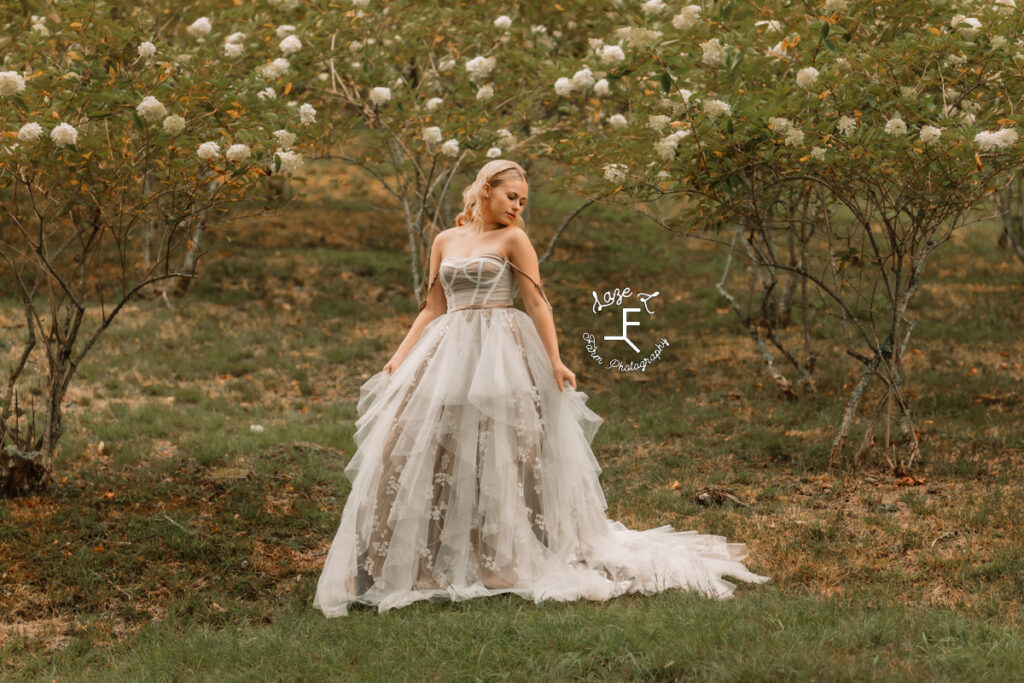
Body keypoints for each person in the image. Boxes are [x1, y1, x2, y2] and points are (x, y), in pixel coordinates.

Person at [313, 160, 768, 617]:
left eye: (523, 201)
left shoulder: (514, 240)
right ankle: (424, 558)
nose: (517, 207)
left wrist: (555, 360)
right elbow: (431, 308)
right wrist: (400, 355)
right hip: (447, 350)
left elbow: (536, 302)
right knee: (433, 446)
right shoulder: (444, 241)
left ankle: (502, 555)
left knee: (502, 447)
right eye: (511, 197)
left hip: (499, 352)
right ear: (486, 190)